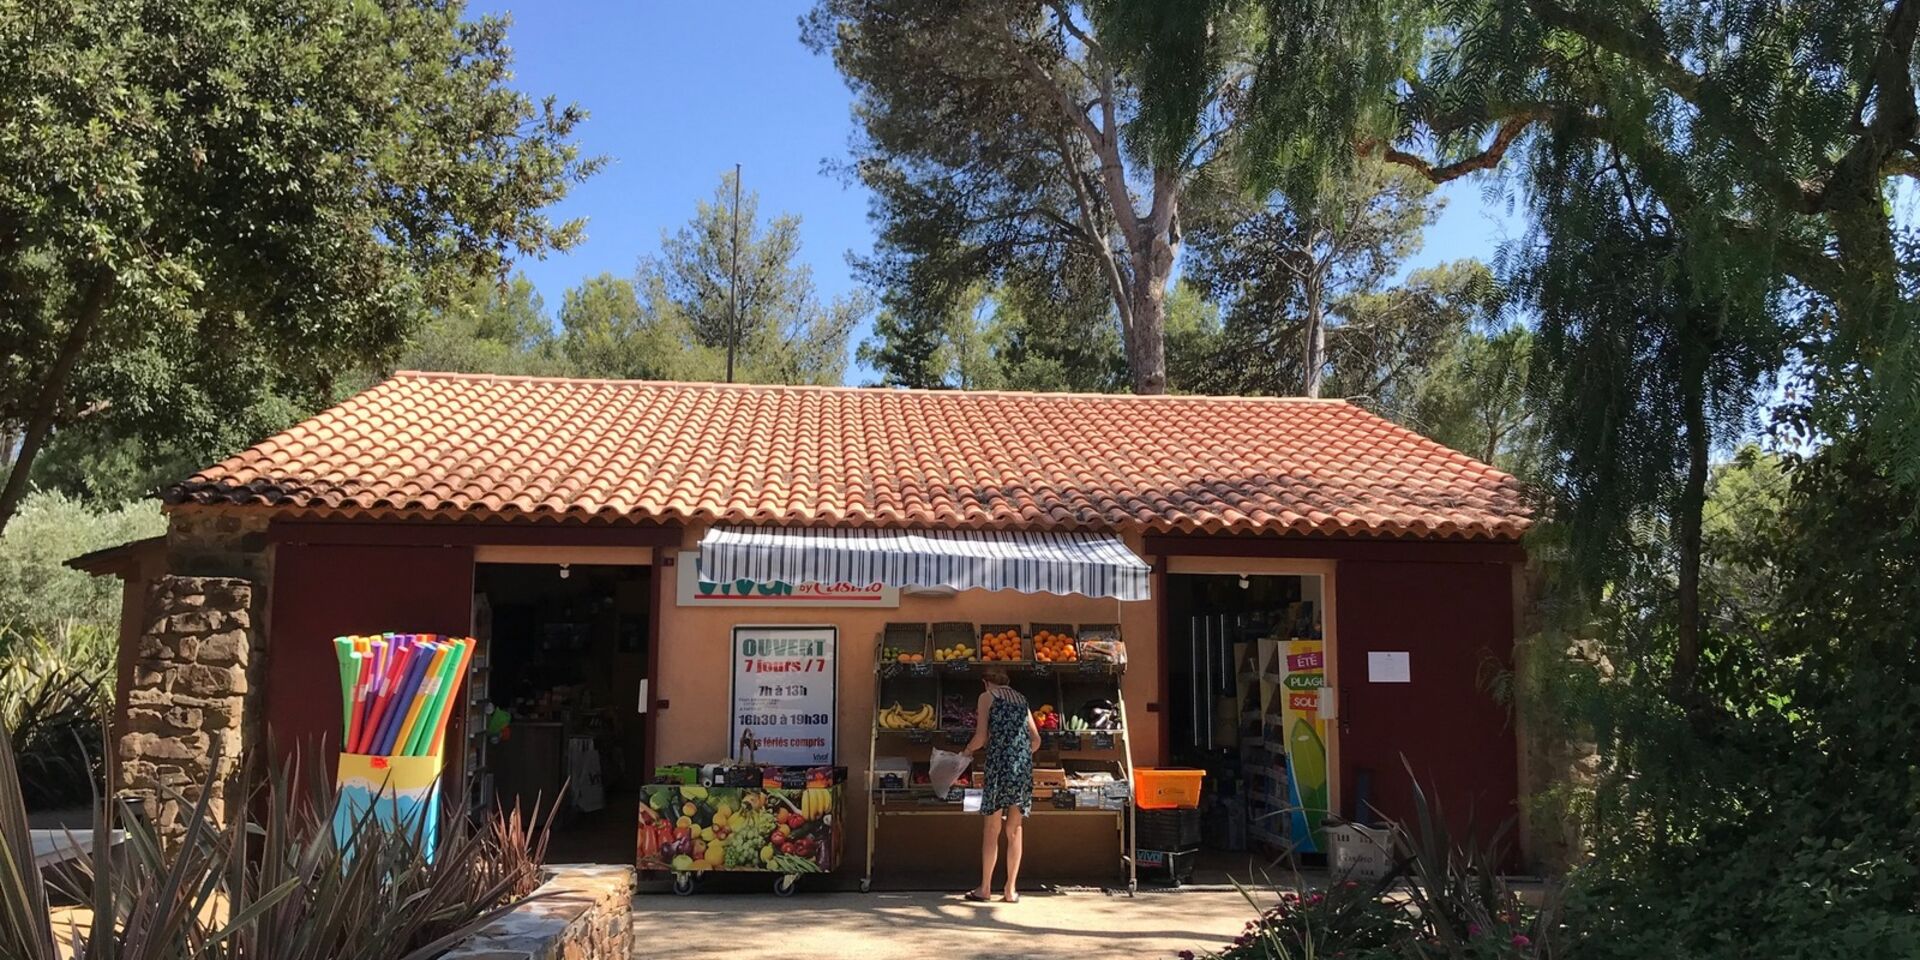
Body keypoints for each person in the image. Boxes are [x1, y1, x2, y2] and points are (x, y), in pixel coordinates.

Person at [961, 668, 1040, 903]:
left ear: (986, 683)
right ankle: (1010, 889)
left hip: (997, 766)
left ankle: (985, 888)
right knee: (1014, 830)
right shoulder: (1021, 699)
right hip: (1021, 768)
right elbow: (1036, 739)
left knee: (991, 829)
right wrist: (1020, 754)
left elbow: (981, 737)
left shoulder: (987, 697)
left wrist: (966, 752)